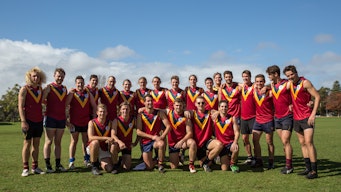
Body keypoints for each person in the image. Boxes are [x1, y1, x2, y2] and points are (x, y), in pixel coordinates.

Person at [283, 65, 320, 179]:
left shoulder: (305, 83)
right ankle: (308, 168)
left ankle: (314, 171)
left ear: (296, 73)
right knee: (303, 143)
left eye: (291, 75)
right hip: (296, 118)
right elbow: (281, 92)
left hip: (307, 117)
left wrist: (313, 114)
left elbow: (317, 97)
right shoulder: (289, 84)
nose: (290, 77)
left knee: (309, 142)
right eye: (288, 76)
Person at [18, 66, 47, 176]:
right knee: (27, 144)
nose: (36, 78)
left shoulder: (40, 89)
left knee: (36, 144)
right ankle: (25, 168)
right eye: (34, 76)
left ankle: (35, 167)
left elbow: (43, 102)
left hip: (39, 120)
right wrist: (23, 121)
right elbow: (20, 106)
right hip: (28, 121)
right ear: (29, 77)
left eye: (38, 76)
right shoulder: (24, 89)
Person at [266, 65, 294, 174]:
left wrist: (307, 101)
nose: (269, 77)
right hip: (277, 118)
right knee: (284, 142)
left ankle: (289, 166)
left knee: (286, 141)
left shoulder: (287, 84)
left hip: (287, 116)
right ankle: (288, 163)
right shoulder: (273, 86)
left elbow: (299, 91)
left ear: (276, 74)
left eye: (270, 75)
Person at [66, 76, 97, 169]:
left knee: (85, 142)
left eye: (82, 83)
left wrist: (93, 119)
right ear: (76, 84)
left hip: (86, 122)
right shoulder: (72, 93)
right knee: (73, 141)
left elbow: (94, 106)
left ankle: (86, 160)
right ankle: (71, 161)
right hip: (74, 122)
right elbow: (65, 105)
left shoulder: (88, 93)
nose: (80, 84)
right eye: (78, 83)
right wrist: (66, 120)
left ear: (84, 83)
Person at [136, 94, 171, 173]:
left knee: (161, 144)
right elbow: (138, 132)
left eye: (151, 101)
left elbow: (168, 126)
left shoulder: (159, 113)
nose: (150, 103)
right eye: (148, 101)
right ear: (144, 103)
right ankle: (156, 160)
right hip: (146, 141)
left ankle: (160, 165)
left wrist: (162, 136)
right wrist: (152, 137)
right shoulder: (140, 114)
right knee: (149, 167)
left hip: (156, 141)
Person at [187, 96, 223, 172]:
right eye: (199, 103)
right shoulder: (192, 113)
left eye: (203, 103)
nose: (201, 104)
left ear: (205, 104)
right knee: (174, 166)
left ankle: (206, 163)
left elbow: (221, 110)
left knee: (219, 145)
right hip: (196, 143)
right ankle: (205, 160)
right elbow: (183, 111)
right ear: (195, 104)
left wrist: (218, 112)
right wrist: (185, 111)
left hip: (207, 142)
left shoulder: (210, 112)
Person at [42, 68, 68, 173]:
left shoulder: (64, 89)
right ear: (54, 75)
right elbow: (41, 100)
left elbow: (64, 103)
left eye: (62, 76)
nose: (60, 78)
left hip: (61, 118)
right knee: (48, 141)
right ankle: (48, 165)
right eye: (58, 75)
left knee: (58, 142)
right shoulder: (49, 87)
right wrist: (46, 94)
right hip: (50, 118)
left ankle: (58, 164)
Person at [166, 98, 197, 173]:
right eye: (176, 105)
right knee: (174, 167)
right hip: (172, 143)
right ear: (173, 105)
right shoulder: (169, 113)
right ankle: (179, 157)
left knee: (192, 143)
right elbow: (157, 110)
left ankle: (191, 164)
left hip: (183, 142)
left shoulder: (186, 116)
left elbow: (190, 133)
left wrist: (181, 141)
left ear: (183, 106)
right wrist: (144, 108)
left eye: (180, 105)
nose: (178, 107)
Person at [251, 74, 275, 169]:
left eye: (261, 81)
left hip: (268, 120)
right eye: (257, 81)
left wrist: (267, 87)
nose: (259, 83)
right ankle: (259, 160)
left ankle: (271, 161)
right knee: (255, 140)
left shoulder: (270, 92)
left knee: (269, 142)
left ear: (264, 81)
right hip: (258, 120)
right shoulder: (254, 90)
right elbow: (243, 83)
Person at [87, 104, 118, 175]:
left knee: (109, 168)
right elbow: (90, 137)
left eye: (104, 112)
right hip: (93, 147)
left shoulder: (110, 123)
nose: (102, 113)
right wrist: (105, 138)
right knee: (95, 142)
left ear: (107, 113)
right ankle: (94, 166)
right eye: (100, 111)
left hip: (104, 149)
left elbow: (113, 136)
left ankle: (99, 162)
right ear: (97, 112)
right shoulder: (92, 122)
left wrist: (110, 140)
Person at [213, 100, 240, 172]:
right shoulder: (215, 118)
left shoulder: (232, 118)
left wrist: (235, 142)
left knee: (235, 148)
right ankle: (226, 157)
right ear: (218, 108)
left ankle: (233, 163)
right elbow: (208, 111)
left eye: (225, 106)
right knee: (224, 169)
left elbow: (237, 132)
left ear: (228, 108)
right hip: (221, 146)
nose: (223, 108)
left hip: (230, 143)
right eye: (222, 106)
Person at [112, 102, 139, 171]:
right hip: (118, 144)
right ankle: (115, 165)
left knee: (127, 168)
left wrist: (135, 143)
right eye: (123, 109)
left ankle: (121, 159)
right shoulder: (116, 120)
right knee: (113, 147)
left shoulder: (133, 120)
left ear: (130, 110)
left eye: (127, 109)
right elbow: (113, 135)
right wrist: (119, 142)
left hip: (127, 145)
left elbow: (139, 132)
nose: (125, 111)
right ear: (120, 110)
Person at [239, 70, 256, 164]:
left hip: (253, 117)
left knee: (254, 139)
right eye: (243, 76)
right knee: (244, 138)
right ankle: (249, 157)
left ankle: (257, 158)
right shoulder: (241, 87)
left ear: (250, 77)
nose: (245, 78)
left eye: (247, 76)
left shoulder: (254, 86)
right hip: (243, 117)